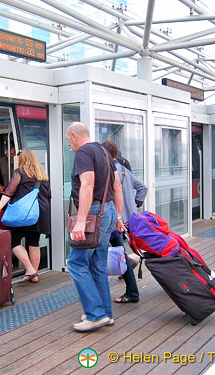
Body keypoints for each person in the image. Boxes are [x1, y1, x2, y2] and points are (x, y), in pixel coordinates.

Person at [66, 122, 124, 332]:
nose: (69, 146)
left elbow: (87, 185)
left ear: (74, 136)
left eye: (68, 141)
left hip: (93, 213)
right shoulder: (105, 152)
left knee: (76, 263)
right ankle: (105, 313)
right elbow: (117, 187)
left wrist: (81, 221)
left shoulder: (83, 152)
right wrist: (118, 215)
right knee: (98, 265)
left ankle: (96, 313)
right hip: (107, 212)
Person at [0, 148, 51, 284]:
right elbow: (48, 195)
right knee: (33, 242)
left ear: (22, 159)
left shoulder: (19, 172)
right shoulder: (42, 174)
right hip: (39, 213)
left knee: (14, 241)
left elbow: (9, 192)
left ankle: (30, 269)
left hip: (23, 213)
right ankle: (34, 274)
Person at [101, 140, 147, 303]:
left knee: (103, 254)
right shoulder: (125, 171)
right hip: (124, 219)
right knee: (118, 251)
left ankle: (130, 291)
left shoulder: (109, 170)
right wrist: (135, 203)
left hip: (113, 220)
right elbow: (142, 187)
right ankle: (131, 287)